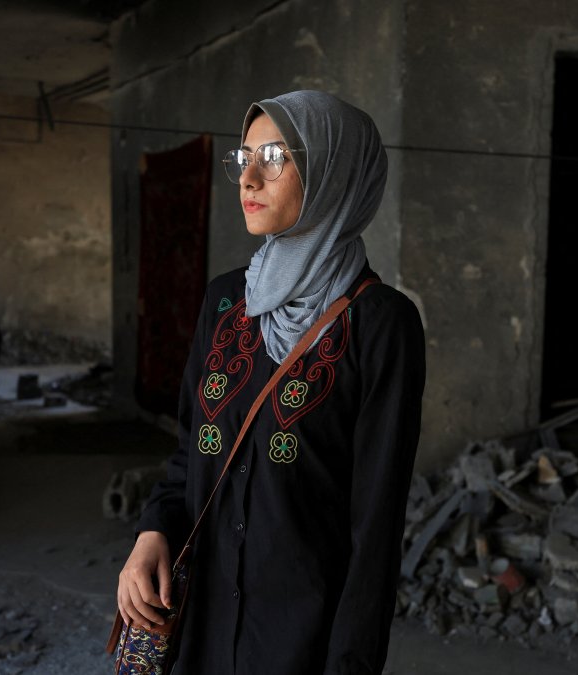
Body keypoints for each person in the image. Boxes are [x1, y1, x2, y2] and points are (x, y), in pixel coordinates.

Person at [115, 90, 426, 674]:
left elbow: (375, 528)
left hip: (299, 644)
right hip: (198, 631)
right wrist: (152, 531)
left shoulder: (381, 323)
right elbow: (189, 456)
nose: (249, 178)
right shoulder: (226, 301)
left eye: (277, 157)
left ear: (334, 174)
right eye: (244, 157)